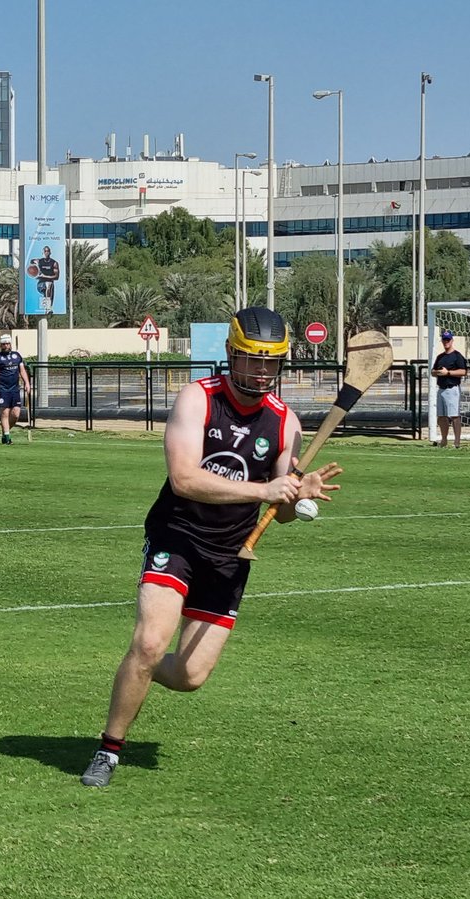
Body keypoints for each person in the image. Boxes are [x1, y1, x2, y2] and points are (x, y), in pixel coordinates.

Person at [80, 307, 342, 787]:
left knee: (190, 676)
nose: (262, 371)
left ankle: (137, 668)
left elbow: (277, 512)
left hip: (230, 554)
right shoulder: (197, 399)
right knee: (151, 641)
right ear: (230, 354)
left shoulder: (286, 423)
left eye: (271, 361)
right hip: (177, 536)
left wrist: (293, 495)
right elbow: (183, 479)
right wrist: (264, 489)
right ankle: (109, 749)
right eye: (251, 359)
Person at [0, 333, 31, 444]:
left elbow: (22, 370)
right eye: (4, 344)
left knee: (16, 414)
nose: (6, 346)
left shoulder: (17, 356)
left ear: (10, 344)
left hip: (15, 389)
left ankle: (5, 431)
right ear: (1, 345)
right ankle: (7, 437)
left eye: (8, 343)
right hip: (2, 389)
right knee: (5, 413)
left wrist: (27, 383)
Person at [431, 329, 468, 449]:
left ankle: (457, 442)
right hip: (441, 388)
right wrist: (438, 372)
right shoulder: (440, 357)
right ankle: (444, 440)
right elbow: (432, 371)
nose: (446, 342)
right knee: (441, 416)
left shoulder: (457, 356)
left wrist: (448, 373)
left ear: (452, 340)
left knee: (454, 416)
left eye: (448, 340)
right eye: (444, 340)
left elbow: (463, 371)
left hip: (452, 389)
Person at [31, 245, 60, 314]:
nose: (46, 252)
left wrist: (44, 276)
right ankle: (47, 308)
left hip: (50, 285)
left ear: (50, 252)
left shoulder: (54, 263)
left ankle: (47, 309)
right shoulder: (40, 261)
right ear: (43, 253)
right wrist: (35, 263)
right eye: (45, 251)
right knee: (47, 284)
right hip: (40, 284)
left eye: (47, 251)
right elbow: (31, 261)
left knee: (49, 285)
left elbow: (56, 277)